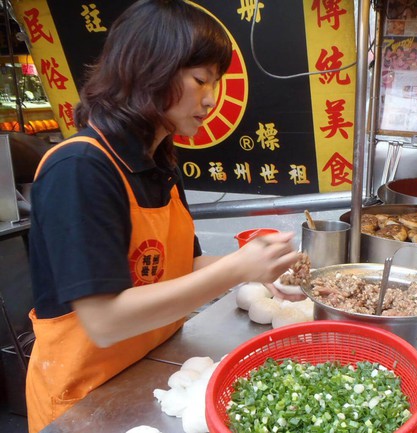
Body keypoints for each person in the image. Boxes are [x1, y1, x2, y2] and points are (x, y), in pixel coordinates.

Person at [25, 1, 300, 432]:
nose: (210, 99)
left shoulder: (160, 160)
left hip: (149, 370)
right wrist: (234, 269)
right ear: (148, 71)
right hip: (86, 400)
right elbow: (103, 320)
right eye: (199, 80)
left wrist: (260, 269)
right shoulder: (80, 168)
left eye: (216, 83)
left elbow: (181, 265)